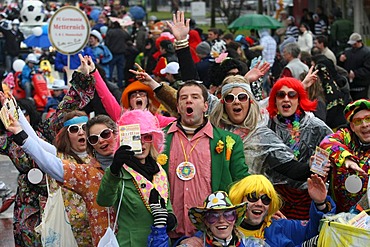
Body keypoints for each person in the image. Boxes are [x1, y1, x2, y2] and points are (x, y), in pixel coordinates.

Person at [97, 109, 176, 246]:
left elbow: (167, 206)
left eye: (147, 137)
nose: (142, 142)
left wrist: (171, 218)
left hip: (160, 242)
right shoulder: (119, 171)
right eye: (136, 137)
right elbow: (104, 200)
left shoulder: (159, 171)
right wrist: (114, 170)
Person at [267, 77, 333, 220]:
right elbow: (281, 165)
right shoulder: (268, 126)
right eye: (281, 95)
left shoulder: (315, 125)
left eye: (292, 95)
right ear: (274, 100)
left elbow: (334, 147)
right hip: (278, 197)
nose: (286, 99)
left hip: (308, 196)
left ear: (299, 99)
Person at [229, 174, 336, 246]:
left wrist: (320, 203)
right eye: (253, 197)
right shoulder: (224, 230)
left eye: (266, 199)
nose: (259, 204)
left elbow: (316, 231)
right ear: (240, 199)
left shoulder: (282, 227)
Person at [320, 99, 370, 213]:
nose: (365, 125)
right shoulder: (346, 137)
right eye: (358, 121)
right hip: (338, 216)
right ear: (352, 126)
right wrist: (346, 158)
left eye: (368, 118)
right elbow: (326, 142)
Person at [176, 191, 261, 246]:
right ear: (206, 221)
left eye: (228, 215)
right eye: (213, 216)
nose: (221, 220)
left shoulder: (251, 244)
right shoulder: (195, 244)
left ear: (235, 218)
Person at [338, 33, 370, 100]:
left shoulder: (367, 53)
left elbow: (367, 69)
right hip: (349, 85)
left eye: (354, 44)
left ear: (359, 42)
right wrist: (341, 60)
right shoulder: (347, 52)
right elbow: (340, 67)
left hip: (361, 85)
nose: (353, 46)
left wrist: (355, 73)